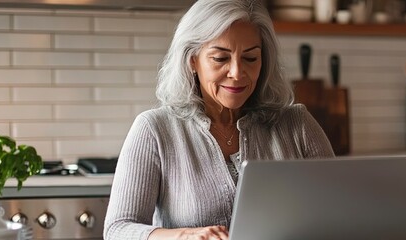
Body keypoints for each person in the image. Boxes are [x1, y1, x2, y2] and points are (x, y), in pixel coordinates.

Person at [103, 0, 335, 239]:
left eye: (250, 58)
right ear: (192, 59)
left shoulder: (297, 124)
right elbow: (118, 229)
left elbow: (342, 208)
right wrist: (183, 236)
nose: (237, 72)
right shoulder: (154, 129)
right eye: (220, 58)